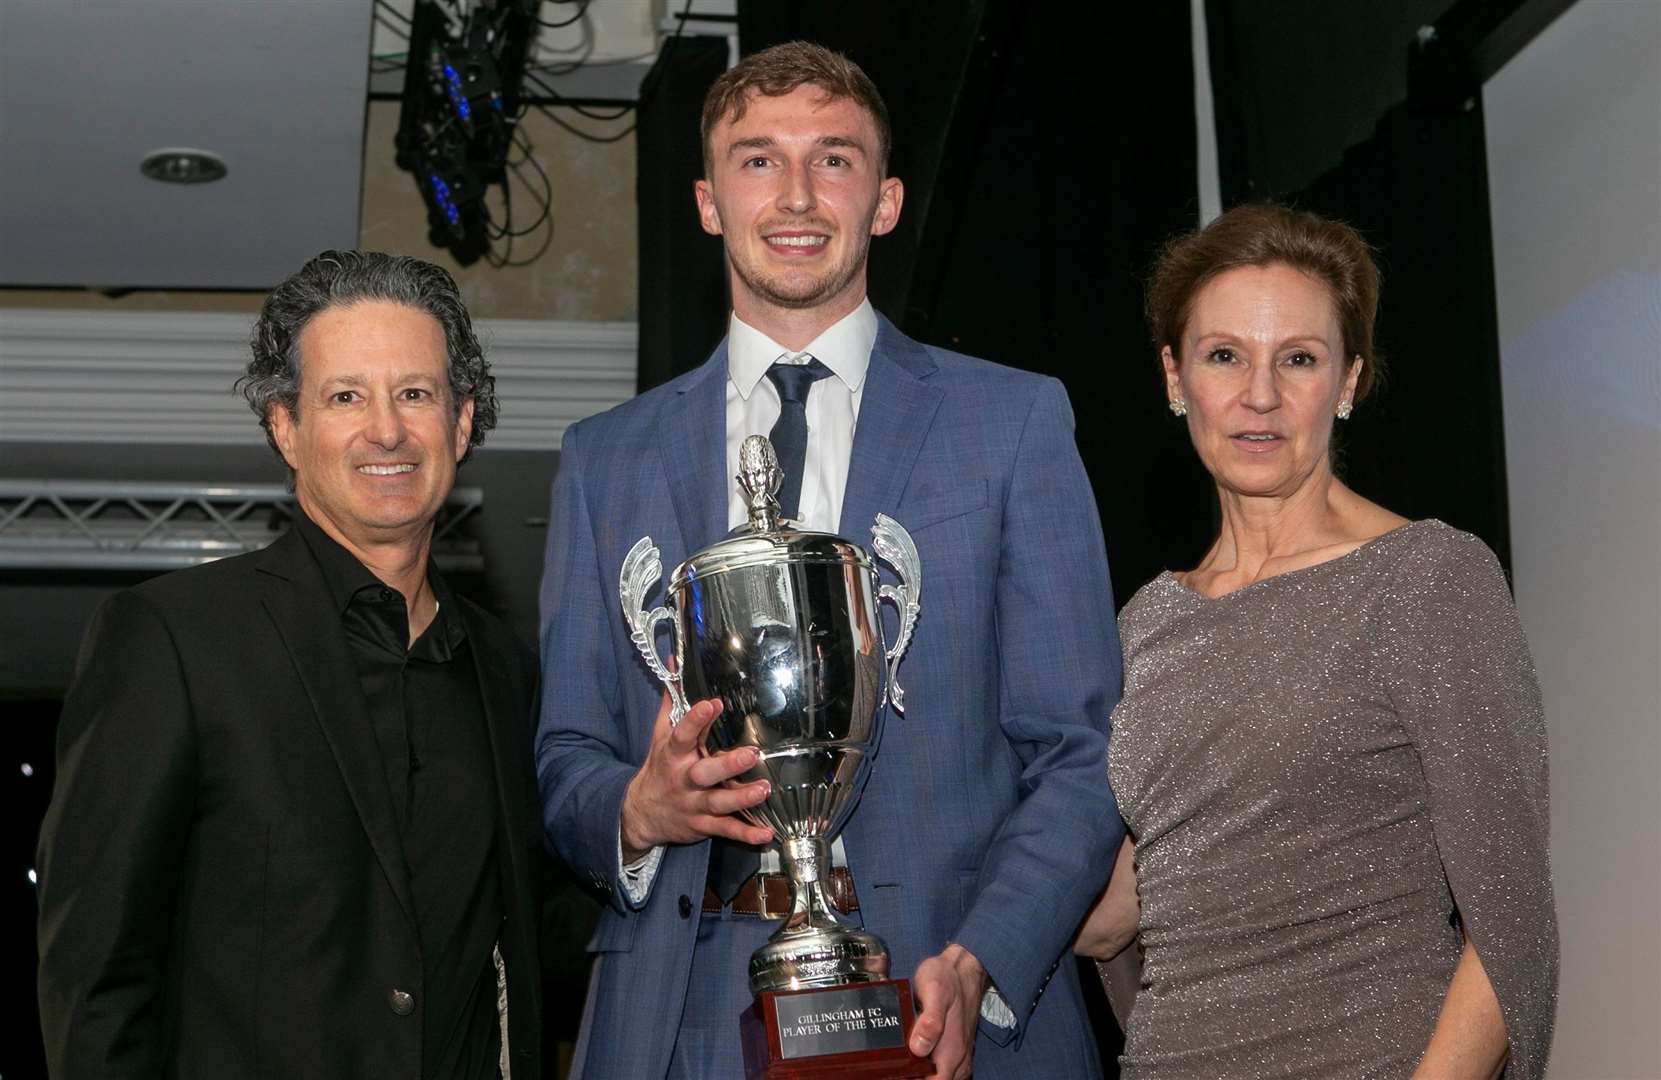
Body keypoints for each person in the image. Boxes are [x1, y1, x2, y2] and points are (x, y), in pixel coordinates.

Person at [537, 41, 1122, 1080]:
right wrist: (634, 810)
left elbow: (1079, 752)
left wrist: (983, 957)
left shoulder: (1012, 423)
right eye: (757, 160)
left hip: (942, 991)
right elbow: (567, 752)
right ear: (708, 201)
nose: (796, 195)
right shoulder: (604, 460)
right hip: (683, 1011)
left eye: (835, 160)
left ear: (885, 201)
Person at [1074, 203, 1558, 1078]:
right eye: (1224, 356)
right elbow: (1115, 913)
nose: (1260, 395)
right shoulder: (1145, 622)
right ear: (1174, 377)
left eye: (1297, 359)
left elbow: (1510, 916)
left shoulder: (1426, 580)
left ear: (1346, 382)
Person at [35, 251, 545, 1080]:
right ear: (286, 427)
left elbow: (529, 941)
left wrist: (640, 819)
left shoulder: (503, 668)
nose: (386, 428)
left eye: (414, 394)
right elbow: (95, 973)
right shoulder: (173, 639)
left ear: (459, 423)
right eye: (346, 396)